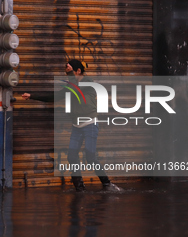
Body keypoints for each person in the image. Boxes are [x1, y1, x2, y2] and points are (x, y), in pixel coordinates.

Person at [22, 59, 121, 192]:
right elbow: (55, 96)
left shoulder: (88, 83)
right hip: (77, 126)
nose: (67, 73)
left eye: (70, 70)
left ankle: (107, 184)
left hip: (90, 123)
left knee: (90, 156)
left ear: (78, 71)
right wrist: (32, 96)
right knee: (72, 156)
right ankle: (79, 188)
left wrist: (70, 78)